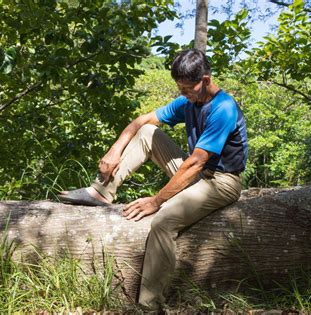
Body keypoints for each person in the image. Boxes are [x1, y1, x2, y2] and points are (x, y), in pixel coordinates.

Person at [59, 48, 248, 310]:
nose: (183, 94)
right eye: (180, 88)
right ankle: (102, 192)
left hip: (222, 181)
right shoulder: (189, 102)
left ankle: (149, 306)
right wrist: (115, 149)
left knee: (163, 221)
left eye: (187, 89)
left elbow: (196, 162)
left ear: (205, 80)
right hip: (197, 173)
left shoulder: (223, 108)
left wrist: (156, 201)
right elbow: (142, 121)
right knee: (148, 132)